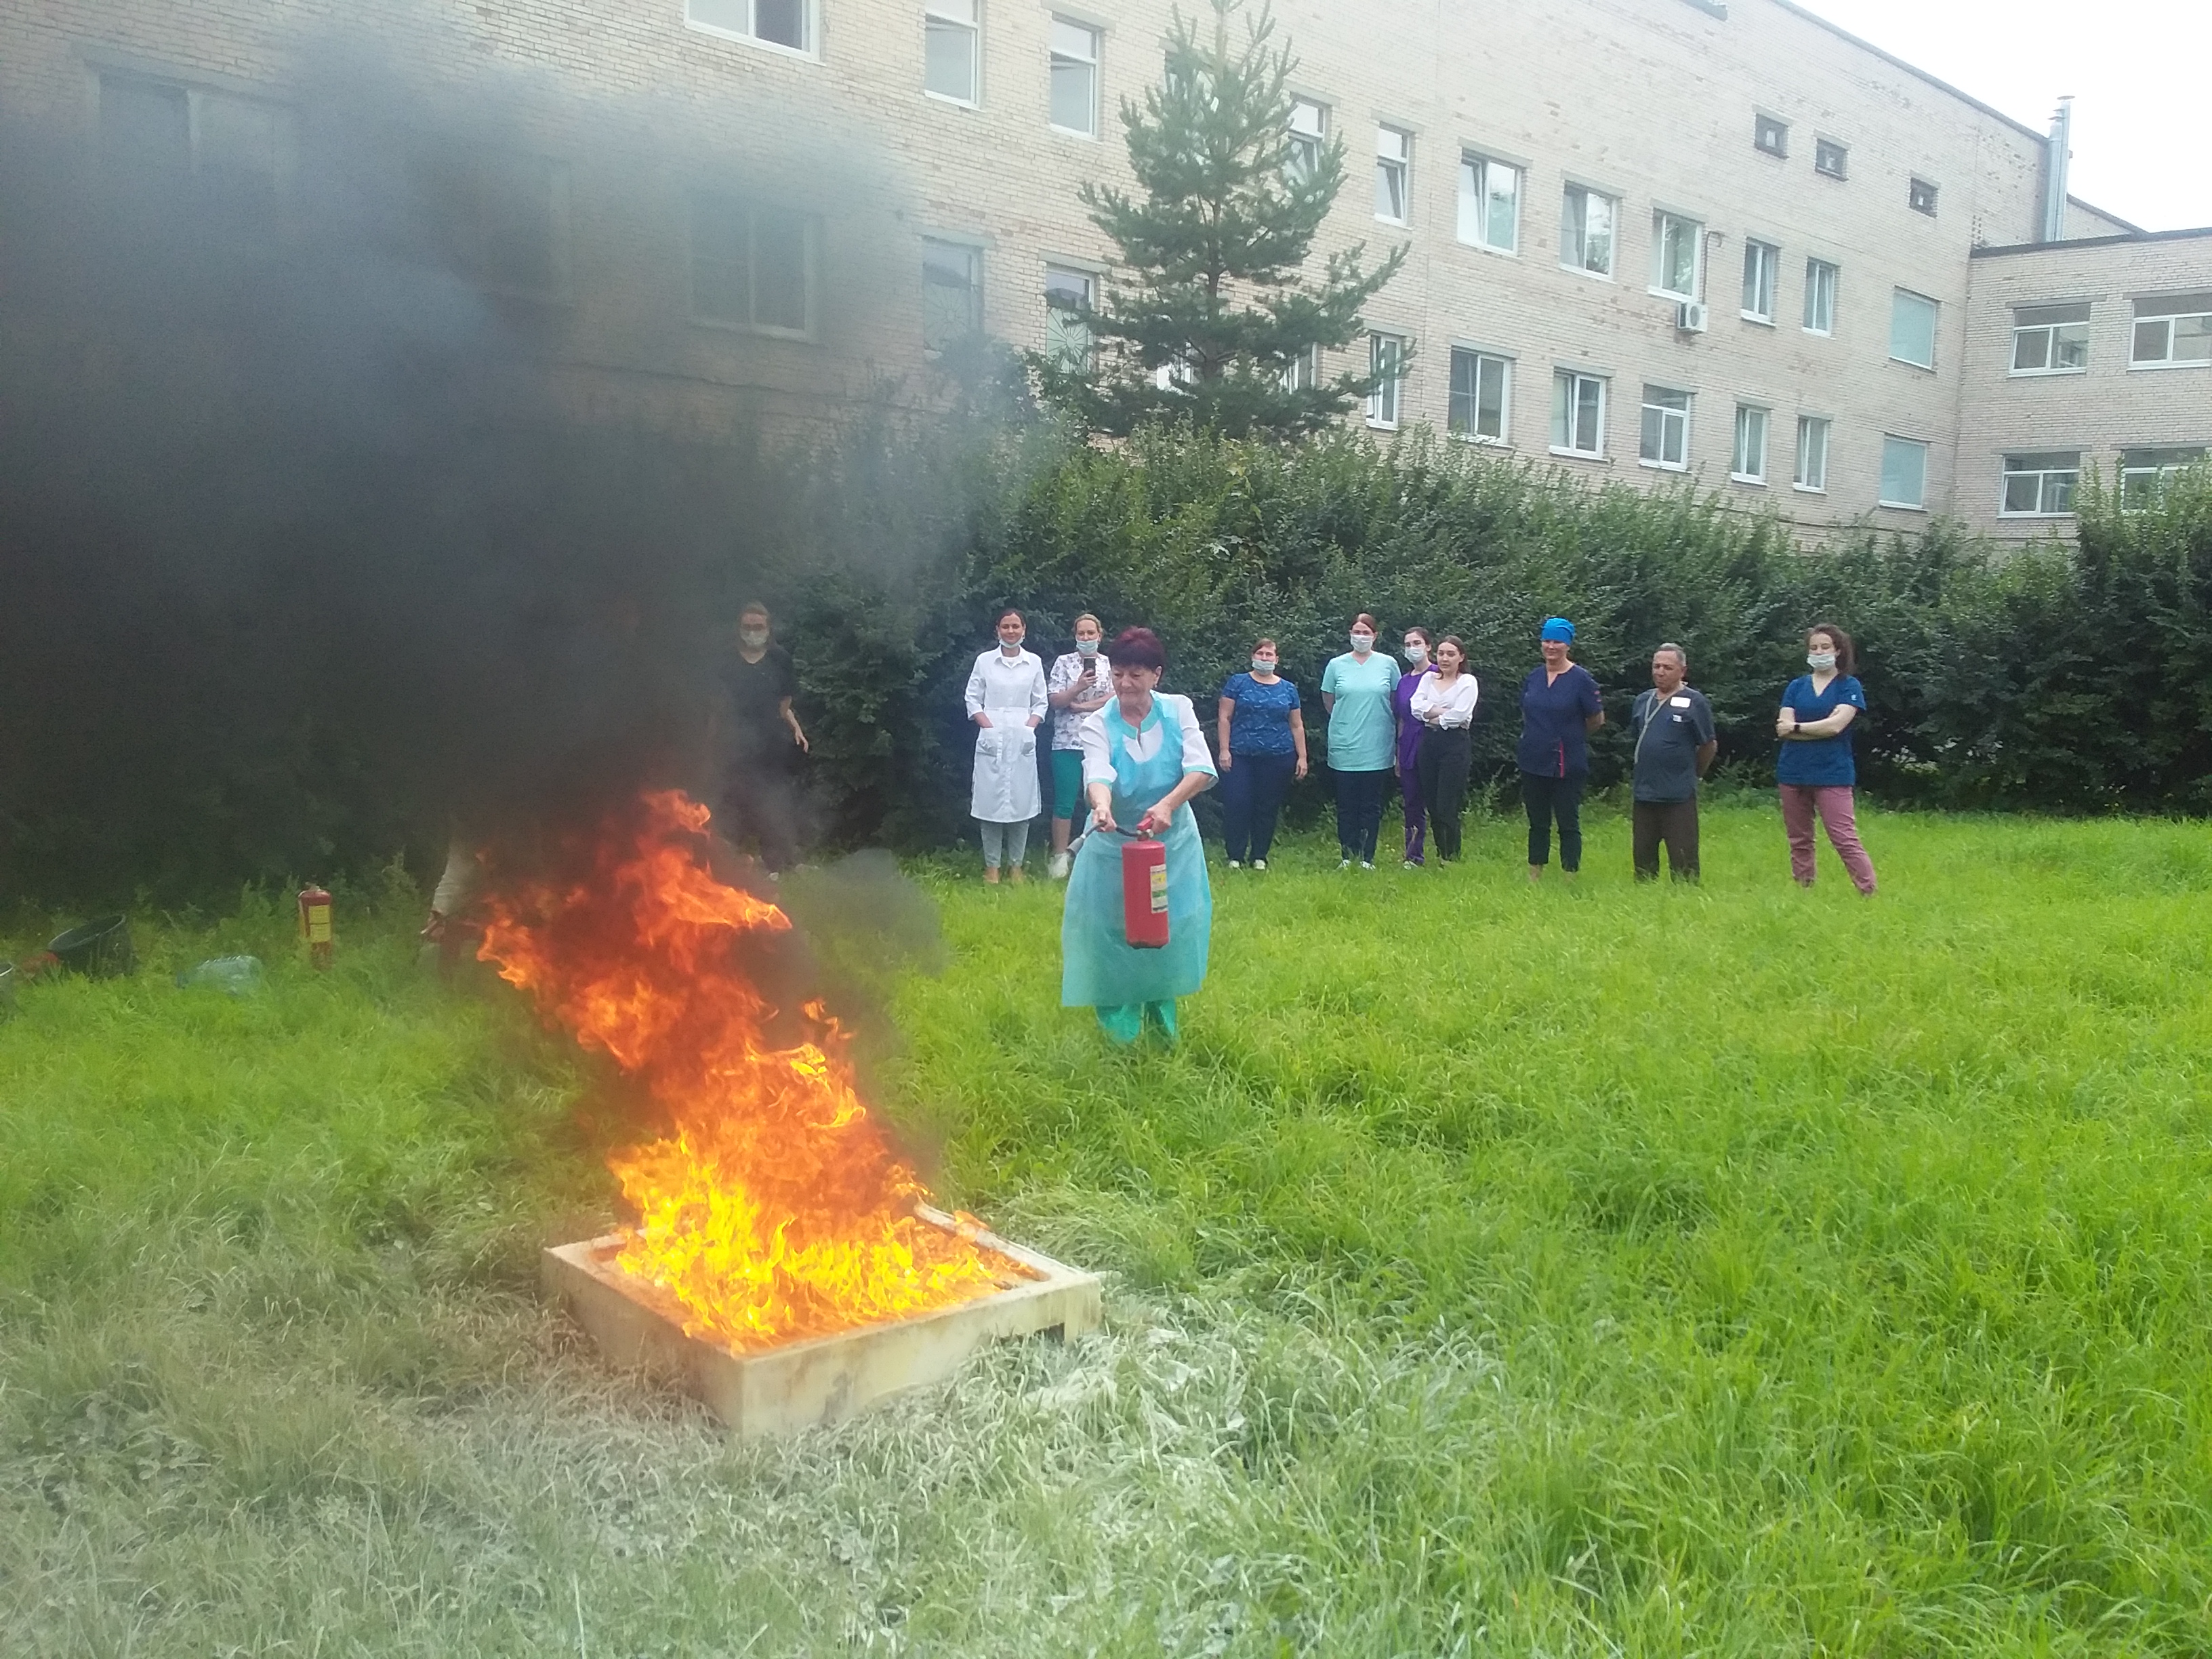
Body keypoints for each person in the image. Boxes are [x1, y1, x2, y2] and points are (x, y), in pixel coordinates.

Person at [1062, 628, 1217, 1044]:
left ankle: (1163, 1028)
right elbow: (1096, 771)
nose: (1125, 684)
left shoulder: (1178, 710)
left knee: (1168, 929)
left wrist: (1168, 805)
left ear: (1156, 675)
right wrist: (1101, 804)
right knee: (1112, 934)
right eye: (1117, 675)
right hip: (1113, 844)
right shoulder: (1098, 722)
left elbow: (1201, 768)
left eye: (1135, 675)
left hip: (1172, 844)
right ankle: (1120, 1036)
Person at [1776, 623, 1877, 895]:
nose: (1819, 652)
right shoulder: (1796, 686)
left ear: (1838, 651)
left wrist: (1798, 729)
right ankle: (1803, 889)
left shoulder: (1849, 686)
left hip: (1833, 774)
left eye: (1825, 647)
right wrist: (1815, 729)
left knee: (1844, 837)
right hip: (1793, 773)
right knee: (1799, 839)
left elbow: (1836, 727)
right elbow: (1782, 728)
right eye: (1813, 648)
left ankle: (1868, 891)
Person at [713, 601, 809, 878]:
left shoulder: (780, 659)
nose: (752, 632)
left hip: (771, 742)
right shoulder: (726, 659)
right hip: (732, 742)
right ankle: (734, 862)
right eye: (748, 627)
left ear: (768, 629)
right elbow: (717, 704)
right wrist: (711, 738)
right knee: (733, 800)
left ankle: (776, 864)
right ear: (739, 629)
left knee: (772, 800)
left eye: (758, 627)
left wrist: (793, 727)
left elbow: (785, 702)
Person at [1517, 617, 1604, 882]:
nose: (1551, 646)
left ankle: (1570, 875)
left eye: (1557, 641)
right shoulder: (1534, 677)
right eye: (1547, 640)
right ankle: (1535, 873)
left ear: (1568, 645)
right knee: (1537, 821)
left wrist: (1571, 736)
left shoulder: (1582, 680)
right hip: (1533, 758)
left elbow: (1596, 719)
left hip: (1567, 762)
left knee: (1568, 821)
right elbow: (1527, 711)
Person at [964, 609, 1047, 884]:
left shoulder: (1033, 662)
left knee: (1021, 804)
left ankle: (1016, 866)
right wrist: (987, 726)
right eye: (1005, 626)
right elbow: (972, 699)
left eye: (1016, 627)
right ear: (997, 630)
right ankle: (992, 867)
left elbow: (1041, 702)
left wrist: (1029, 727)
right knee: (989, 804)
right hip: (992, 733)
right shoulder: (985, 661)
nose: (1010, 631)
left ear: (1024, 630)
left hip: (1022, 736)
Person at [1214, 637, 1307, 869]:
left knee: (1267, 807)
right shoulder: (1238, 683)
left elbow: (1297, 725)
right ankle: (1235, 856)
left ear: (1277, 660)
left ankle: (1259, 856)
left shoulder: (1288, 689)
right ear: (1253, 657)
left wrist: (1302, 756)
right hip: (1240, 754)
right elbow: (1224, 717)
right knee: (1238, 803)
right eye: (1261, 654)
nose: (1265, 658)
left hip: (1278, 755)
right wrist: (1224, 750)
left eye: (1269, 655)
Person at [1629, 642, 1717, 882]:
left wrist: (1694, 773)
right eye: (1656, 666)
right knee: (1643, 861)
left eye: (1667, 667)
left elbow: (1708, 744)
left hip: (1678, 792)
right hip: (1645, 791)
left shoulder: (1694, 702)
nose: (1660, 671)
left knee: (1684, 860)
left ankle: (1685, 901)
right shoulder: (1642, 700)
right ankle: (1645, 899)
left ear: (1682, 671)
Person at [1319, 613, 1398, 869]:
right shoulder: (1336, 665)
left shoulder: (1388, 664)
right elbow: (1329, 701)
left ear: (1375, 636)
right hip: (1345, 744)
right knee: (1346, 805)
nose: (1361, 637)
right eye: (1357, 632)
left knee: (1371, 805)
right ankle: (1347, 854)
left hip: (1376, 744)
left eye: (1366, 632)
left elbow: (1396, 700)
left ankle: (1367, 857)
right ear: (1350, 634)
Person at [1046, 613, 1112, 880]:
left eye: (1090, 633)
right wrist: (1078, 688)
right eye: (1081, 634)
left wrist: (1082, 706)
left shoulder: (1109, 664)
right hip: (1066, 742)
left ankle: (1092, 856)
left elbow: (1114, 698)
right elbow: (1056, 701)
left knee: (1095, 801)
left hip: (1100, 741)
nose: (1086, 638)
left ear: (1100, 635)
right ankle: (1061, 858)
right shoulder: (1063, 663)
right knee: (1064, 802)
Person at [1410, 636, 1480, 863]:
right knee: (1432, 802)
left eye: (1451, 654)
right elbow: (1415, 707)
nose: (1445, 658)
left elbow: (1460, 714)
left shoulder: (1467, 682)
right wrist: (1443, 713)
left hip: (1455, 745)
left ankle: (1452, 857)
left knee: (1447, 804)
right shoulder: (1429, 678)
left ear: (1461, 657)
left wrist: (1433, 716)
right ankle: (1441, 853)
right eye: (1441, 653)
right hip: (1429, 744)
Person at [1393, 628, 1437, 867]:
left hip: (1433, 741)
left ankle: (1446, 854)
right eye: (1408, 644)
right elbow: (1401, 718)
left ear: (1429, 646)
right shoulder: (1403, 681)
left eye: (1417, 643)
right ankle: (1413, 855)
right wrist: (1399, 754)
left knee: (1439, 802)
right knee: (1412, 803)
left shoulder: (1438, 674)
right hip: (1409, 742)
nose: (1412, 648)